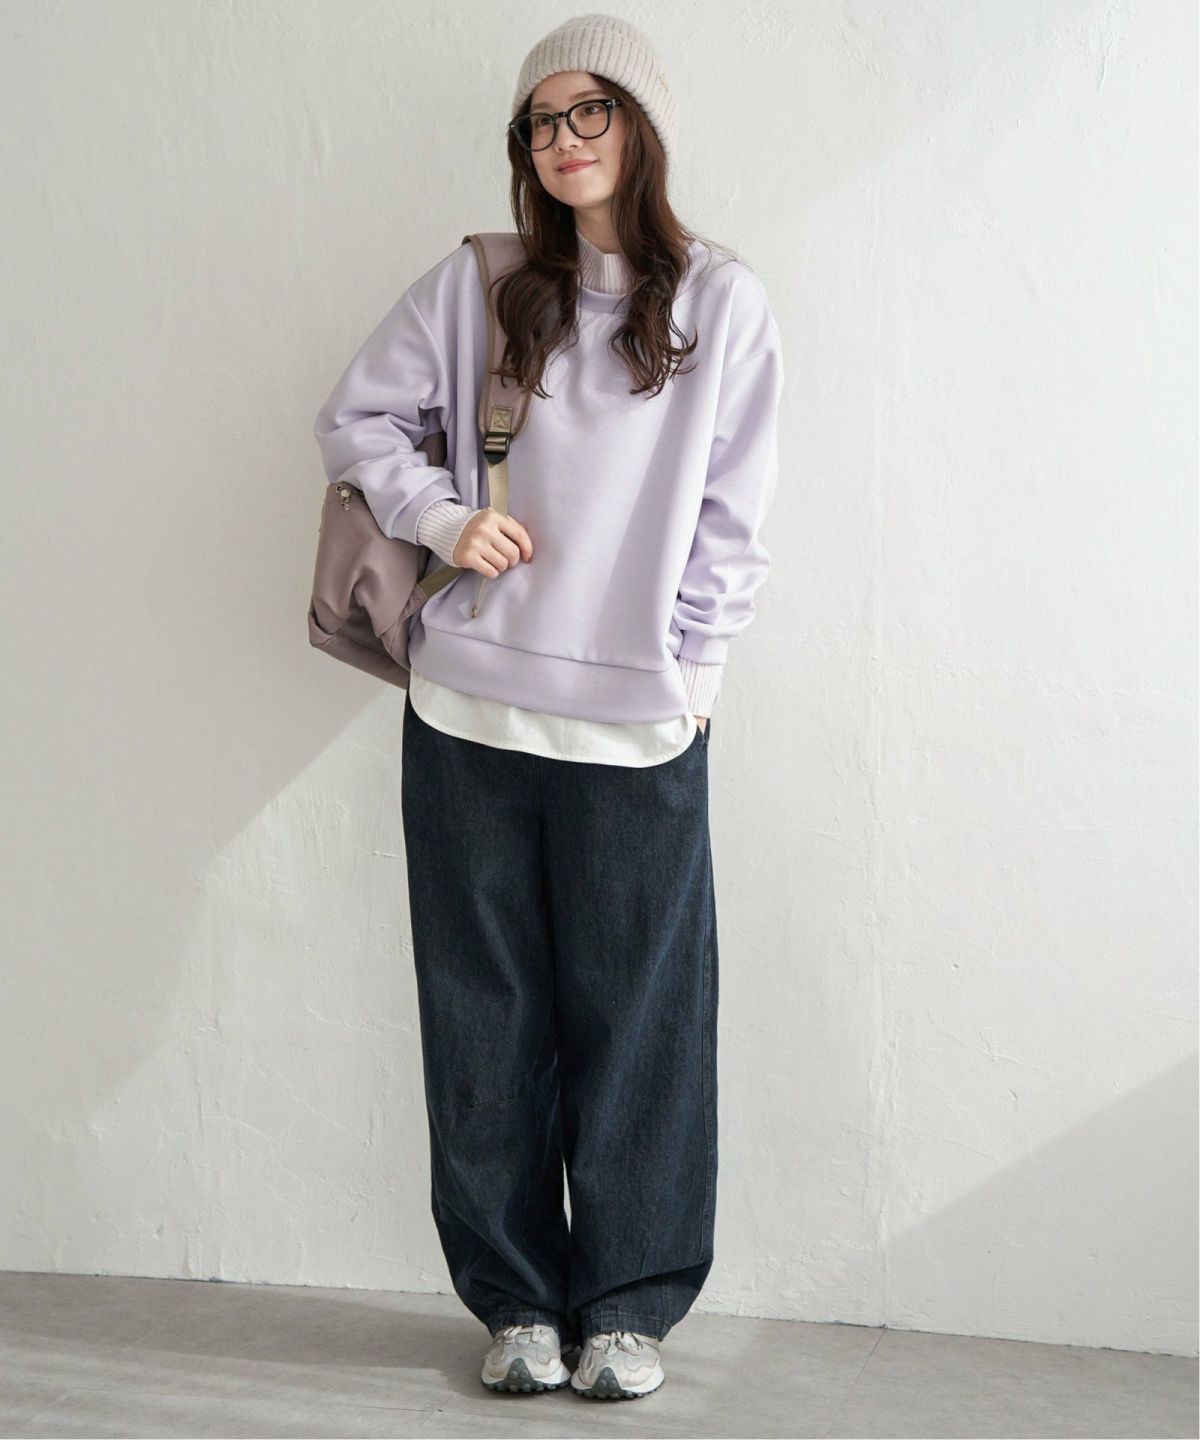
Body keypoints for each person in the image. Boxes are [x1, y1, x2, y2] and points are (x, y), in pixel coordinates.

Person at [312, 12, 785, 1402]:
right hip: (468, 713)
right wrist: (441, 517)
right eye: (543, 121)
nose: (566, 140)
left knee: (642, 1021)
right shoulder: (481, 286)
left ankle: (627, 1305)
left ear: (643, 127)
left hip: (639, 722)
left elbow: (733, 519)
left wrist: (693, 681)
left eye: (594, 111)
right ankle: (517, 1301)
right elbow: (357, 421)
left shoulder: (722, 304)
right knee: (483, 1016)